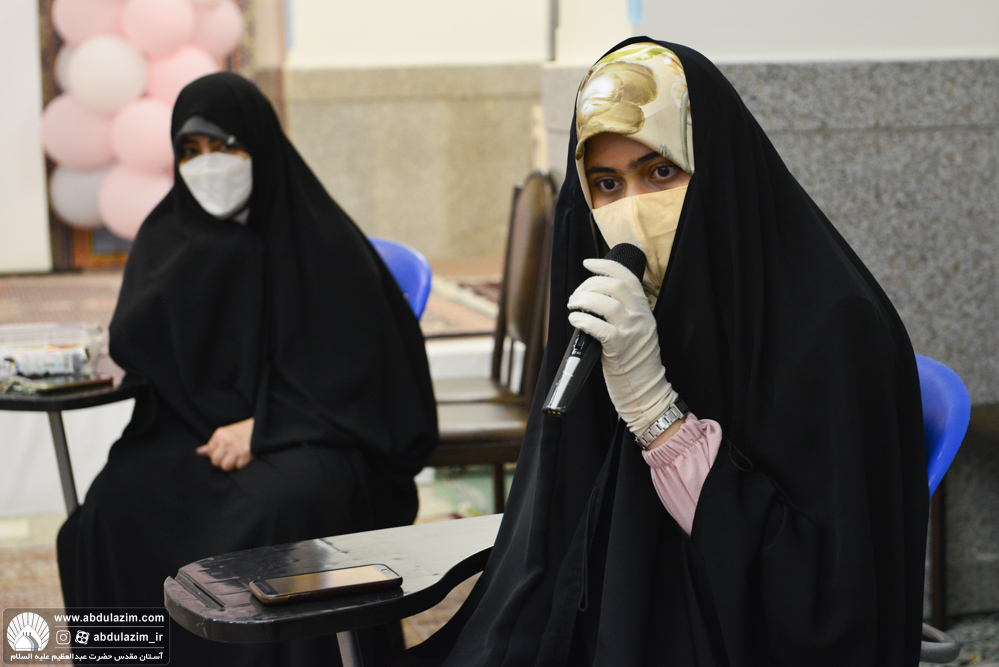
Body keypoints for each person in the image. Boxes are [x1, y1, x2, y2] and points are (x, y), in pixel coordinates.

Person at [402, 39, 927, 666]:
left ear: (718, 169)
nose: (632, 211)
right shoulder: (635, 309)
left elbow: (822, 599)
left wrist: (656, 413)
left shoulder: (832, 327)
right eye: (606, 184)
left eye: (660, 172)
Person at [57, 73, 439, 666]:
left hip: (315, 434)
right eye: (191, 150)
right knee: (110, 507)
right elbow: (143, 350)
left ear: (259, 145)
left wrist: (264, 428)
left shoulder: (321, 242)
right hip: (193, 433)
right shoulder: (167, 240)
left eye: (224, 146)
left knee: (279, 508)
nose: (208, 165)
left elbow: (368, 380)